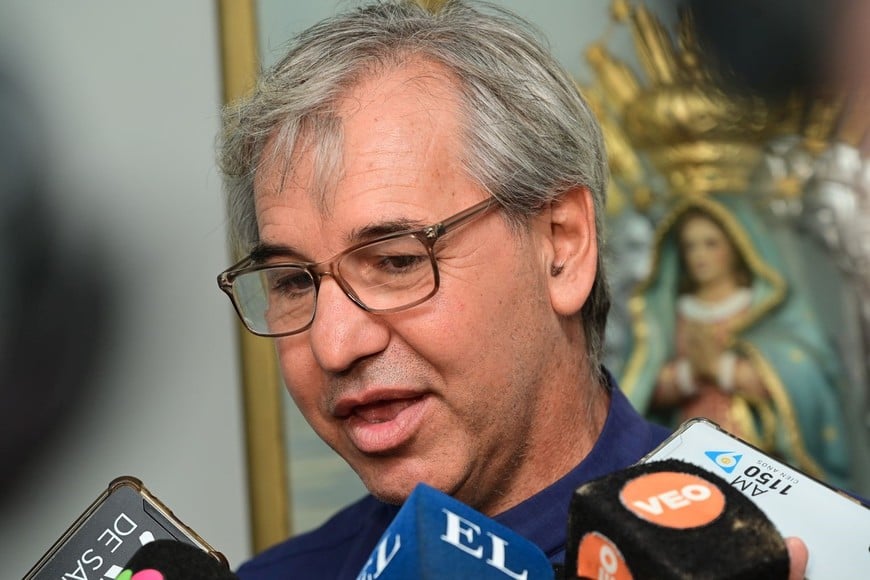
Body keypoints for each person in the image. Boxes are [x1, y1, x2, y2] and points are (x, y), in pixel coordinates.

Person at [216, 1, 808, 577]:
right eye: (293, 280)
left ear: (562, 246)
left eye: (396, 262)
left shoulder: (813, 547)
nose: (334, 345)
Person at [620, 197, 851, 488]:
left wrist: (723, 369)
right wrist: (690, 374)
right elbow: (643, 386)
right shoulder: (667, 313)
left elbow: (801, 373)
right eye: (690, 246)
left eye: (711, 243)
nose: (699, 255)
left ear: (738, 246)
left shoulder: (764, 307)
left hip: (759, 451)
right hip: (689, 444)